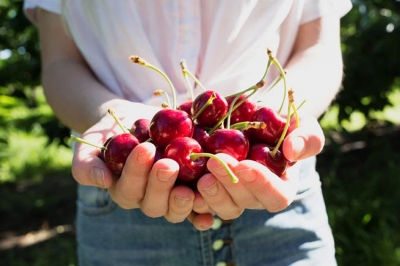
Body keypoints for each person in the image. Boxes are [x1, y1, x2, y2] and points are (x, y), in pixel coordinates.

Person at [24, 1, 352, 265]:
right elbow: (59, 63)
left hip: (276, 190)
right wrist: (110, 115)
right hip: (121, 199)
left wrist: (281, 120)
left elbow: (319, 49)